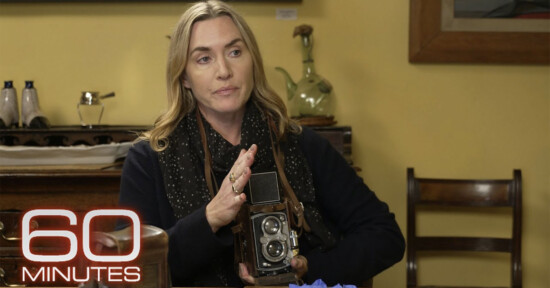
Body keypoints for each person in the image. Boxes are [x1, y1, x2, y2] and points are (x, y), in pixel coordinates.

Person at [118, 0, 405, 286]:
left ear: (252, 61)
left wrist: (309, 269)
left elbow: (385, 236)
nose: (224, 70)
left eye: (234, 52)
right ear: (184, 77)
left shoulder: (302, 145)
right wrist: (210, 218)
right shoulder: (149, 159)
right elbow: (130, 267)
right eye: (204, 58)